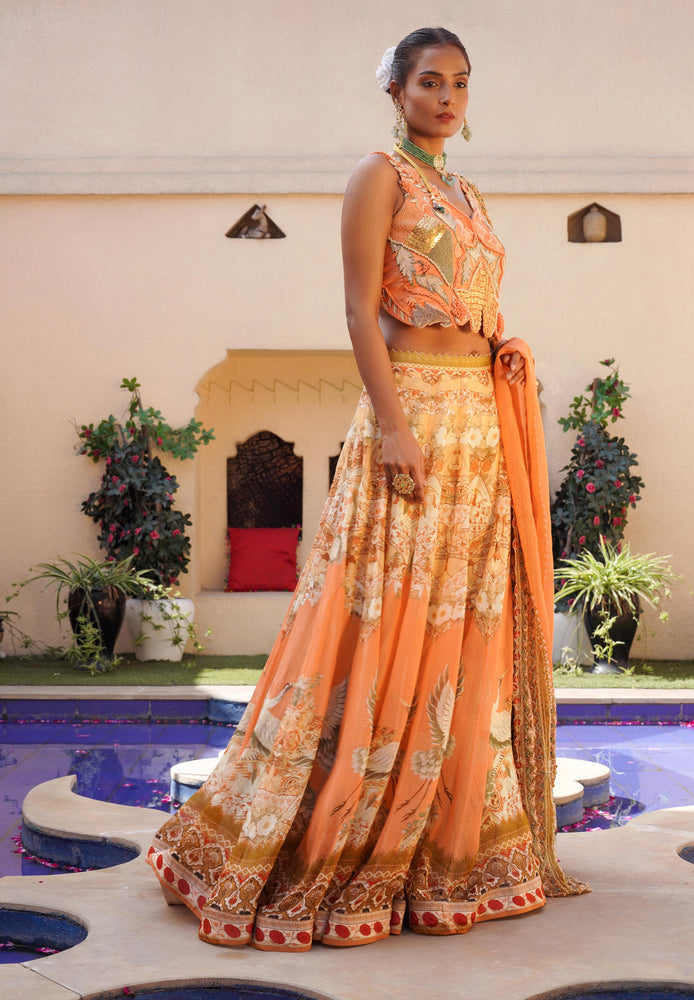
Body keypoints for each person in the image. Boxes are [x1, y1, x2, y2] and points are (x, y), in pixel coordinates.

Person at [147, 25, 588, 952]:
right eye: (430, 81)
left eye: (460, 83)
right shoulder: (377, 176)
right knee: (383, 616)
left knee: (461, 620)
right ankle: (335, 839)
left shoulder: (465, 191)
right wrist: (390, 425)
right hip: (413, 412)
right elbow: (357, 309)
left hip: (477, 419)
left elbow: (476, 298)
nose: (447, 96)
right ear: (394, 89)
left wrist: (502, 356)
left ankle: (442, 838)